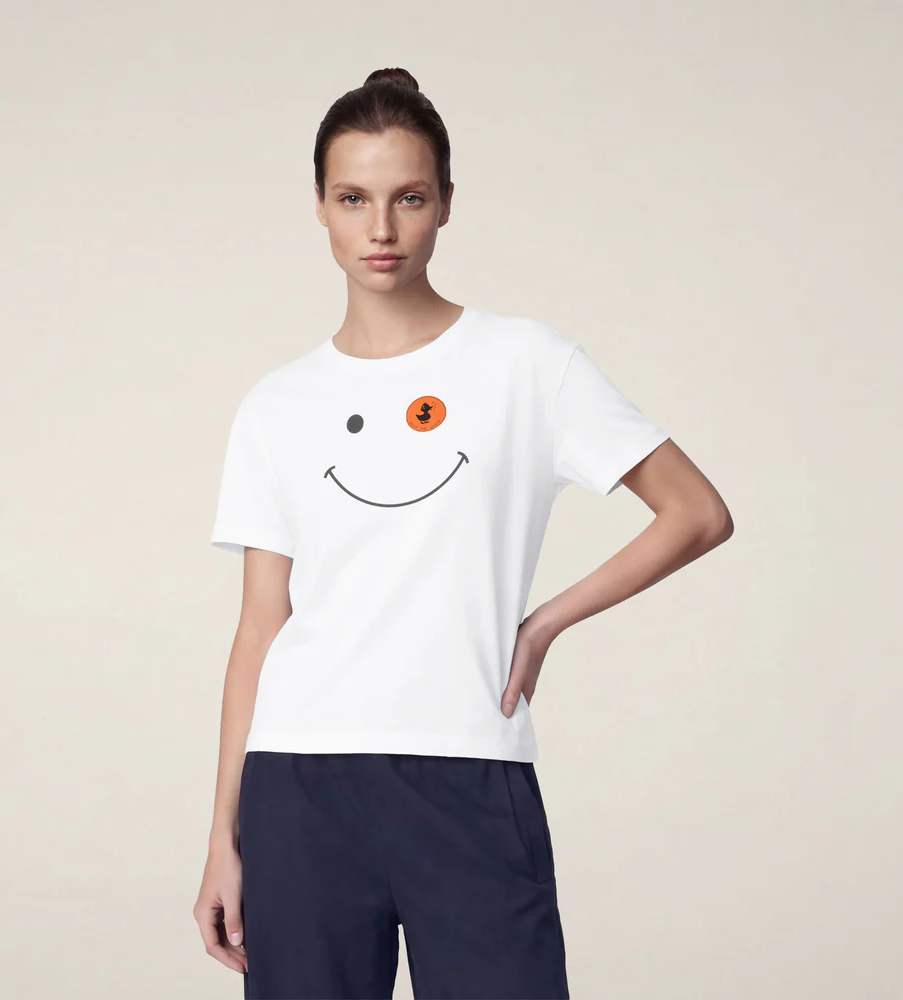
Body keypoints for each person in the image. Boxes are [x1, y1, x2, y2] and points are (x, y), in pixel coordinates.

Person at [192, 67, 733, 1000]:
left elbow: (697, 512)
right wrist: (221, 839)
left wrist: (544, 622)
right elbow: (259, 627)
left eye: (408, 198)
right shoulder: (276, 405)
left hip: (471, 774)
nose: (381, 228)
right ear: (319, 207)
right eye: (353, 199)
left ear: (446, 202)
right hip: (299, 786)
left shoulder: (527, 364)